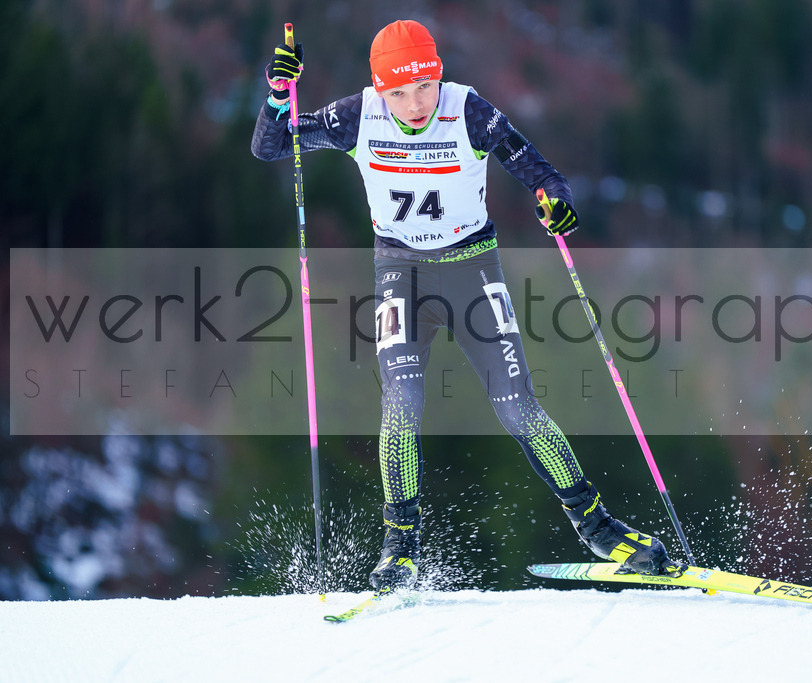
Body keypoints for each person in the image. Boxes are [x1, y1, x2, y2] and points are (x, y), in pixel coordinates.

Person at [252, 19, 684, 591]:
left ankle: (597, 527)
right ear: (380, 90)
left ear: (439, 77)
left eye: (424, 87)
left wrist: (556, 202)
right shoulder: (358, 115)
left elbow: (540, 173)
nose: (414, 104)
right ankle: (399, 546)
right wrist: (278, 94)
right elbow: (271, 145)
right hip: (400, 274)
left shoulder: (468, 110)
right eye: (398, 93)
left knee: (517, 406)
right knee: (401, 403)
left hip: (472, 269)